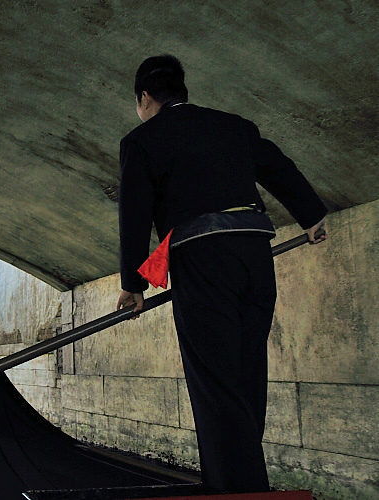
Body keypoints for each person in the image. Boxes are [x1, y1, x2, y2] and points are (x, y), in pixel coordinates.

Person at [115, 55, 327, 493]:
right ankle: (249, 483)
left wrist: (133, 285)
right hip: (254, 254)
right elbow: (278, 167)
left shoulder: (142, 141)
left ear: (145, 97)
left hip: (203, 257)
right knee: (247, 376)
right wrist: (310, 216)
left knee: (215, 384)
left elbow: (133, 214)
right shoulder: (234, 126)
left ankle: (235, 490)